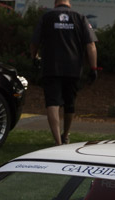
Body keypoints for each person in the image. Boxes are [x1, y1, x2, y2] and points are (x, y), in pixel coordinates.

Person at [31, 0, 98, 145]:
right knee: (70, 103)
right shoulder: (80, 17)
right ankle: (66, 134)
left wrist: (34, 57)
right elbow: (91, 44)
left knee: (52, 103)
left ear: (55, 2)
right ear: (69, 2)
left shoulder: (46, 17)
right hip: (72, 68)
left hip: (51, 67)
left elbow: (35, 41)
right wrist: (93, 68)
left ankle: (57, 142)